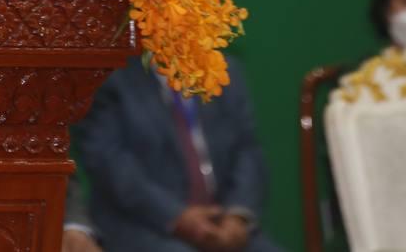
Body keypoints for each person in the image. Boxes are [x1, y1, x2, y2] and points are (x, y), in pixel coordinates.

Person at [76, 55, 282, 252]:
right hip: (145, 225)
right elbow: (109, 162)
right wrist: (178, 216)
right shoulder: (108, 77)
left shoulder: (220, 69)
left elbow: (247, 150)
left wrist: (237, 215)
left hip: (222, 221)